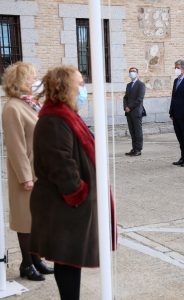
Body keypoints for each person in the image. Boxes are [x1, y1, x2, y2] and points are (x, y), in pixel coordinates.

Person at [30, 66, 116, 299]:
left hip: (68, 207)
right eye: (80, 84)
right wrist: (79, 193)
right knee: (67, 260)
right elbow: (61, 164)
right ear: (65, 87)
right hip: (64, 206)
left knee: (69, 259)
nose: (83, 88)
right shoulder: (54, 119)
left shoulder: (64, 114)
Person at [1, 62, 53, 281]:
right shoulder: (12, 107)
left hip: (39, 172)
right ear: (20, 81)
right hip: (26, 174)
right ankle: (26, 264)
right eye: (31, 77)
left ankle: (36, 259)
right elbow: (15, 146)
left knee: (38, 219)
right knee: (25, 220)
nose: (35, 80)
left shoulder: (31, 103)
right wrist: (25, 177)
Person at [123, 67, 146, 156]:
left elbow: (140, 99)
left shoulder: (141, 85)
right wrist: (125, 107)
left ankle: (138, 149)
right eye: (130, 71)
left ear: (137, 73)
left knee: (137, 131)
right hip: (128, 112)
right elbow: (125, 97)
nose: (132, 73)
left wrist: (130, 107)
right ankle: (134, 148)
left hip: (136, 112)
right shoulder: (128, 85)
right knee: (132, 131)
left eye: (134, 71)